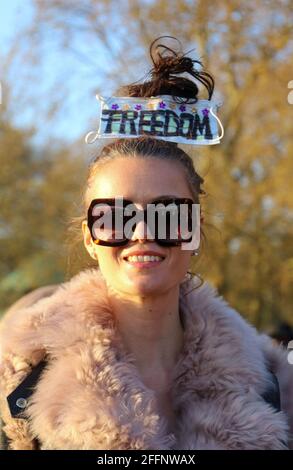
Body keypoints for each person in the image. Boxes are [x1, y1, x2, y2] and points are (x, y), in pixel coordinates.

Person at [0, 36, 292, 451]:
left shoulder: (276, 389)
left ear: (195, 231)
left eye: (168, 214)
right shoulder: (15, 389)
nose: (141, 234)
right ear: (89, 237)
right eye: (115, 216)